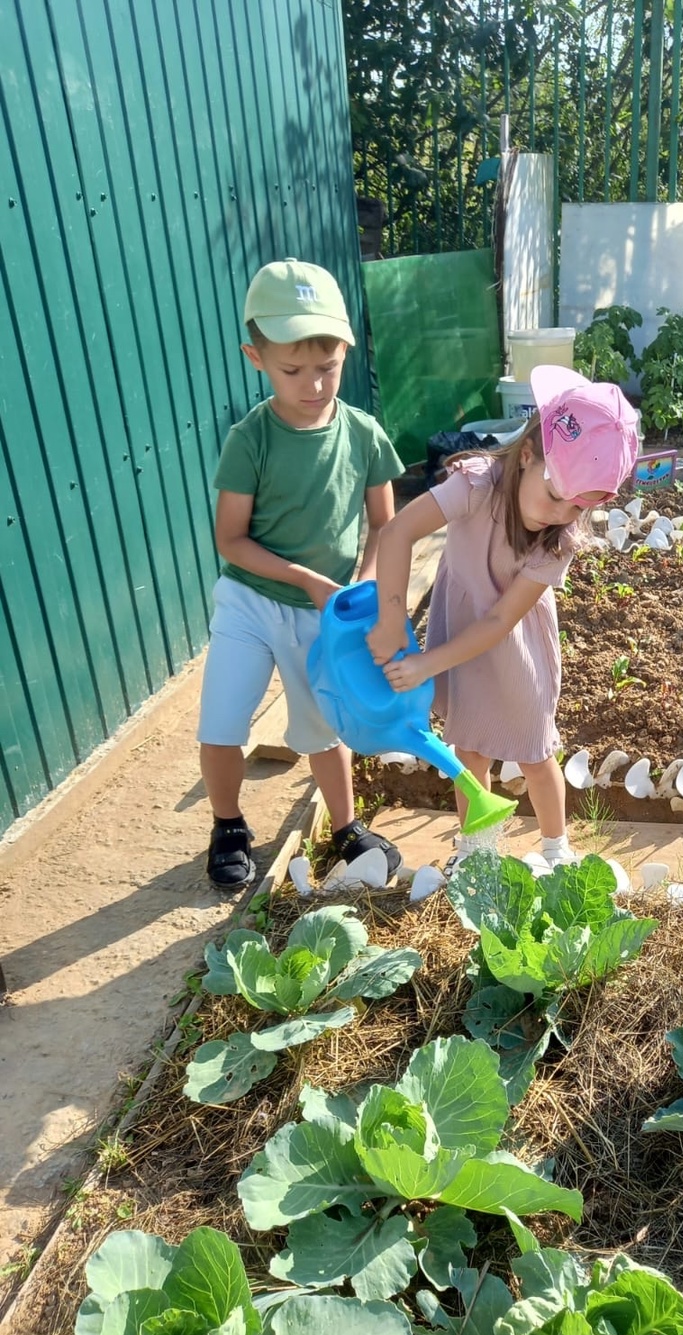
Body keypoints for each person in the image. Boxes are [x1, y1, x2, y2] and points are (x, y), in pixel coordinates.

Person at [366, 364, 639, 874]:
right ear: (528, 453)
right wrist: (389, 621)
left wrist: (427, 664)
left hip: (515, 654)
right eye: (556, 496)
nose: (561, 514)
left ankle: (557, 849)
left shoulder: (559, 540)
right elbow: (397, 533)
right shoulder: (474, 485)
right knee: (469, 753)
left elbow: (498, 623)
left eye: (578, 507)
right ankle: (478, 853)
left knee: (535, 754)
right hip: (460, 642)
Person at [198, 258, 404, 889]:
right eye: (293, 370)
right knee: (223, 720)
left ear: (345, 349)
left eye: (328, 367)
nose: (313, 385)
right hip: (251, 602)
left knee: (322, 722)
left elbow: (386, 527)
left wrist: (364, 584)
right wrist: (307, 580)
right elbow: (230, 541)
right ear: (255, 356)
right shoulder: (250, 440)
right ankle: (229, 824)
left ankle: (344, 829)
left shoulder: (364, 434)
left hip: (327, 612)